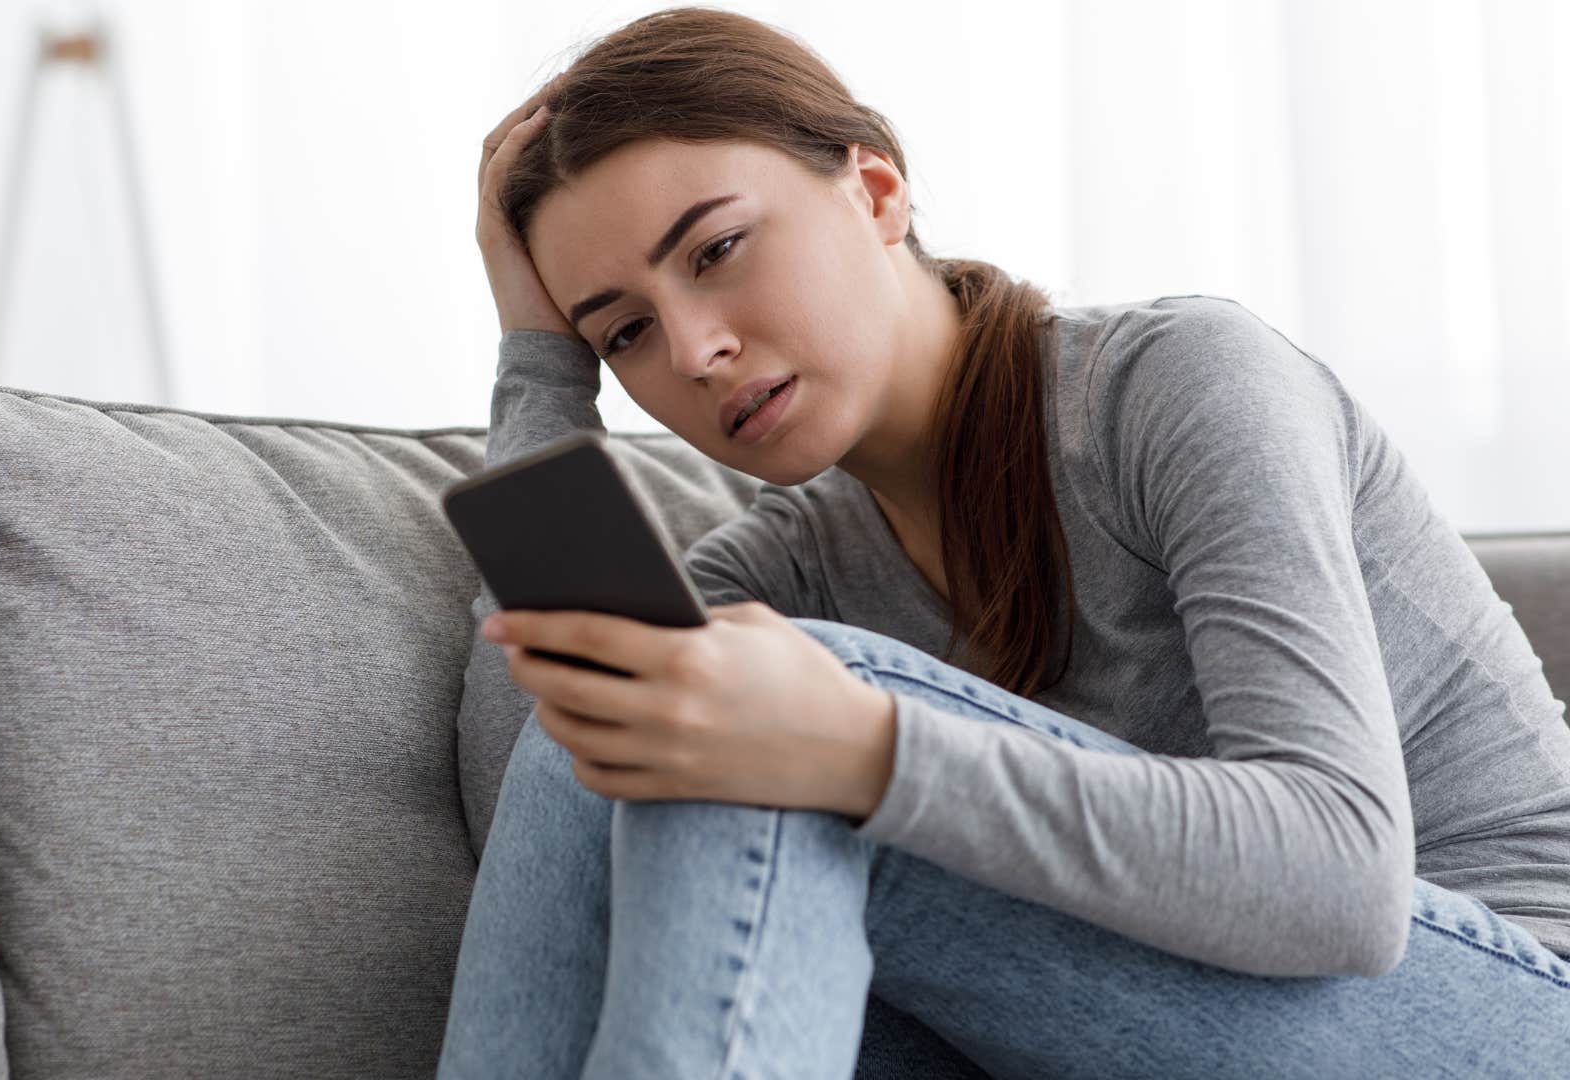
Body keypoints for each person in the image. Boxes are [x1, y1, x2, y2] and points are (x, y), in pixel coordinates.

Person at [436, 7, 1570, 1078]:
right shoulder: (784, 564)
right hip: (1120, 1029)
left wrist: (864, 750)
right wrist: (541, 364)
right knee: (658, 709)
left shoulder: (1178, 384)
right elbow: (547, 784)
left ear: (874, 190)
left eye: (719, 249)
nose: (691, 350)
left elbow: (1343, 885)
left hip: (1500, 1007)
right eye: (624, 332)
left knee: (763, 707)